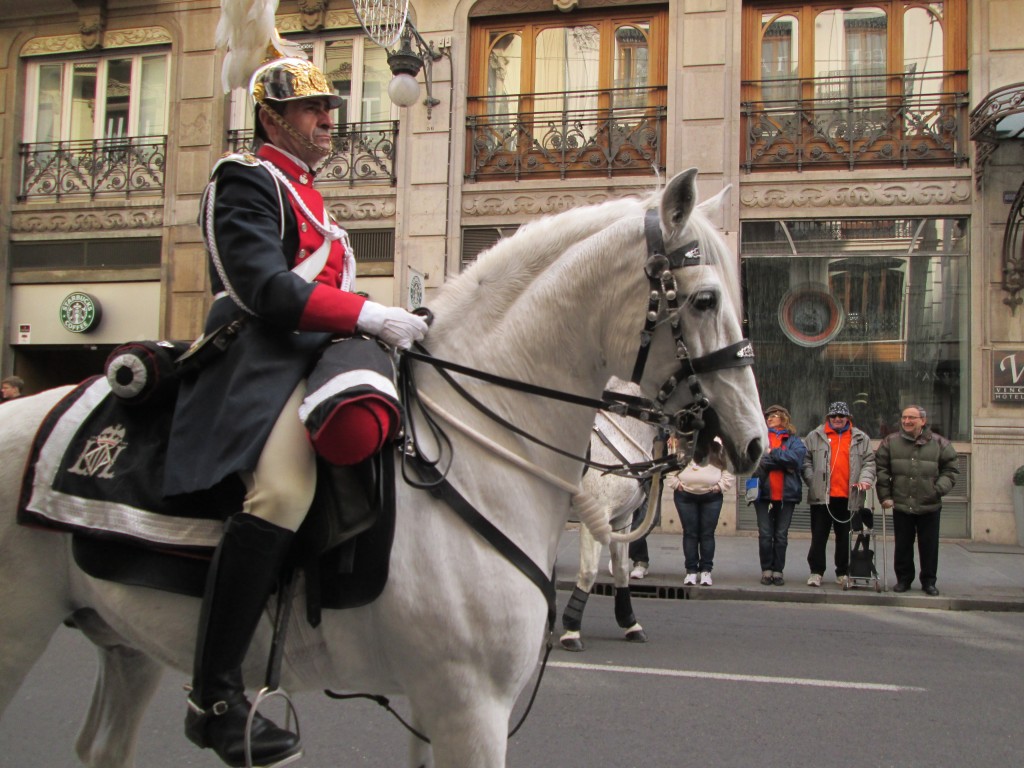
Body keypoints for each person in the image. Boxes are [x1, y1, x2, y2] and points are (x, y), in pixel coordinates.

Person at [163, 56, 428, 767]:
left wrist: (383, 322)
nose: (328, 121)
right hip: (261, 358)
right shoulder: (244, 179)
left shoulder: (313, 201)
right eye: (313, 110)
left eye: (330, 109)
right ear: (271, 118)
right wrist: (367, 314)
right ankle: (215, 698)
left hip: (316, 358)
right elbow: (266, 291)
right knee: (281, 491)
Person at [875, 405, 959, 596]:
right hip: (902, 503)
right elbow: (882, 470)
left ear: (923, 420)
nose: (907, 421)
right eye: (904, 417)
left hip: (930, 504)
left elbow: (951, 469)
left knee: (929, 546)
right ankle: (903, 580)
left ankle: (929, 582)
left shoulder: (940, 443)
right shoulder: (890, 442)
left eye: (912, 418)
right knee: (903, 545)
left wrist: (938, 489)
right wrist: (885, 496)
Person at [802, 401, 875, 588]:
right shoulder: (815, 436)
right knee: (819, 537)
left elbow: (869, 462)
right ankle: (816, 572)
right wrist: (812, 480)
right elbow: (805, 460)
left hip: (848, 496)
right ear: (828, 417)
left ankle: (842, 572)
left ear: (848, 418)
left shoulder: (860, 438)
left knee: (844, 537)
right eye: (833, 416)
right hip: (822, 497)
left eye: (841, 416)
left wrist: (865, 479)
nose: (837, 419)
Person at [667, 437, 734, 586]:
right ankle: (691, 571)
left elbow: (728, 467)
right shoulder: (681, 441)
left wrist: (721, 486)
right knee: (690, 533)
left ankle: (706, 571)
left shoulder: (719, 442)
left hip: (712, 496)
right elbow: (671, 464)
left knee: (707, 534)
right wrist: (675, 484)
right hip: (685, 495)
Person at [751, 405, 805, 586]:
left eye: (773, 416)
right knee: (765, 534)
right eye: (767, 416)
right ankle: (766, 570)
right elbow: (756, 461)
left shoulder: (794, 440)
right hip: (763, 494)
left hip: (786, 495)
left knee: (781, 535)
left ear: (783, 418)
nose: (769, 419)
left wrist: (773, 452)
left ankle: (778, 571)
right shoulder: (760, 439)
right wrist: (784, 464)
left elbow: (796, 460)